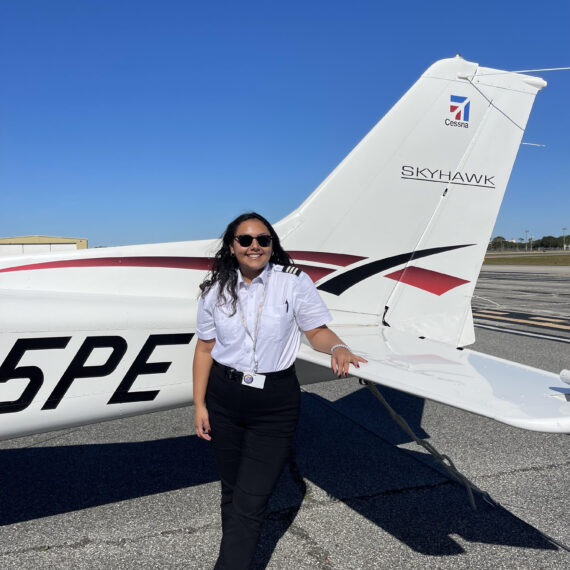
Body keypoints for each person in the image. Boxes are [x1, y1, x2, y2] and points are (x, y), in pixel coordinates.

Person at [193, 212, 366, 570]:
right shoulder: (215, 290)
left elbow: (315, 331)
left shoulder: (293, 282)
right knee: (232, 490)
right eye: (245, 240)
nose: (254, 246)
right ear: (232, 246)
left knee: (251, 499)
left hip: (274, 402)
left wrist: (337, 347)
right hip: (224, 396)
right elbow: (205, 349)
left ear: (272, 245)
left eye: (263, 239)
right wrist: (199, 405)